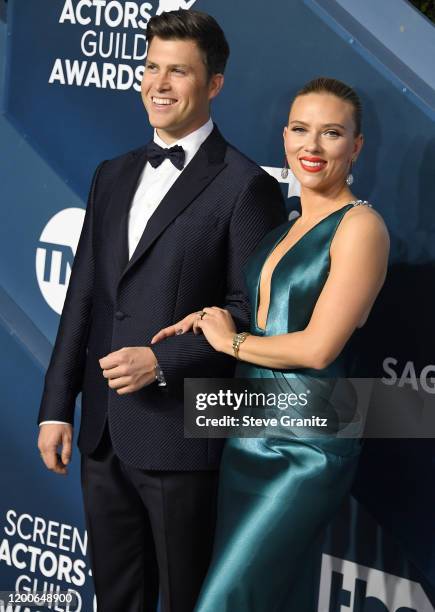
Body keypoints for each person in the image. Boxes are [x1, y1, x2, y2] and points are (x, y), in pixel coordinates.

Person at [37, 10, 286, 612]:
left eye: (179, 71)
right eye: (151, 67)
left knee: (183, 600)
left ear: (215, 84)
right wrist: (55, 408)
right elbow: (84, 299)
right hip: (100, 433)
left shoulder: (245, 185)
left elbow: (247, 314)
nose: (159, 83)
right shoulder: (111, 173)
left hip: (178, 435)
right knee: (117, 599)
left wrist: (162, 359)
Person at [152, 77, 390, 610]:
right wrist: (210, 318)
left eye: (331, 133)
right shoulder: (285, 226)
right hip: (249, 430)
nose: (312, 146)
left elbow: (317, 349)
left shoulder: (360, 227)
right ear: (284, 136)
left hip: (307, 445)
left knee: (225, 601)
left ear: (356, 146)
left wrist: (230, 341)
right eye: (301, 129)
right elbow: (269, 319)